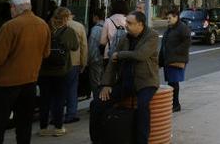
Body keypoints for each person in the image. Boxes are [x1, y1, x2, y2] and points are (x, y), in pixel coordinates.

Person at [0, 0, 51, 144]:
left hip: (6, 83)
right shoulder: (43, 24)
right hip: (30, 81)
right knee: (24, 123)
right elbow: (46, 53)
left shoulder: (10, 26)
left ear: (14, 8)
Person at [90, 10, 160, 144]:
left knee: (142, 107)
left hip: (145, 82)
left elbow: (141, 55)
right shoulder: (125, 37)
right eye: (126, 22)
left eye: (130, 23)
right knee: (97, 104)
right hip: (125, 82)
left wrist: (120, 54)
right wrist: (107, 84)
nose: (126, 25)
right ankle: (98, 139)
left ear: (140, 24)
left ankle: (141, 141)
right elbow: (113, 62)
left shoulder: (152, 36)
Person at [37, 7, 79, 137]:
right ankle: (58, 127)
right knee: (59, 100)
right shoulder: (69, 31)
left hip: (43, 70)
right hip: (61, 71)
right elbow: (75, 47)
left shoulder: (44, 28)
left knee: (44, 99)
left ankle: (43, 128)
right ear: (66, 18)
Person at [159, 7, 191, 112]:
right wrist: (161, 59)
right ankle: (173, 103)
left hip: (176, 60)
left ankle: (176, 104)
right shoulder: (170, 28)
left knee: (174, 82)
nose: (168, 20)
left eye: (169, 18)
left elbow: (186, 42)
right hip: (169, 59)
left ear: (176, 17)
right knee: (171, 82)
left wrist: (174, 51)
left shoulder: (182, 28)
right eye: (167, 18)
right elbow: (164, 44)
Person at [63, 11, 88, 124]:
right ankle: (71, 114)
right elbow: (83, 46)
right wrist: (83, 63)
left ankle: (55, 115)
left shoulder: (53, 24)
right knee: (72, 89)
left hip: (56, 64)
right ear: (71, 16)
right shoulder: (78, 26)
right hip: (74, 62)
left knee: (57, 90)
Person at [86, 9, 106, 98]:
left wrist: (88, 61)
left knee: (96, 84)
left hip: (96, 60)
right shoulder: (107, 26)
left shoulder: (95, 29)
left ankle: (97, 104)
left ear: (96, 17)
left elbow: (92, 48)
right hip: (105, 60)